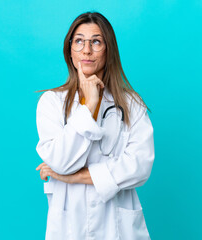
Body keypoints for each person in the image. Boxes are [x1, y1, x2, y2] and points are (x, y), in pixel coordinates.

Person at [35, 11, 154, 240]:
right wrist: (88, 105)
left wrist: (74, 177)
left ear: (108, 50)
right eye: (79, 41)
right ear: (69, 50)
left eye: (96, 41)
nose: (86, 50)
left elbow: (140, 166)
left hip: (118, 228)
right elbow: (60, 161)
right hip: (69, 226)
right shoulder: (51, 102)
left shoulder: (131, 104)